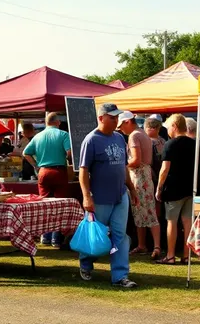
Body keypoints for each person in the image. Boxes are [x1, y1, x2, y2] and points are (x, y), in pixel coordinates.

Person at [78, 103, 139, 288]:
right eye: (112, 117)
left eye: (117, 117)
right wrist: (87, 196)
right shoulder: (91, 140)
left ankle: (120, 276)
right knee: (96, 235)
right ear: (101, 118)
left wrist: (131, 188)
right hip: (100, 198)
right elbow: (83, 171)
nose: (116, 120)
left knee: (120, 235)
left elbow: (123, 167)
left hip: (120, 195)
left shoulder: (120, 138)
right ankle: (86, 264)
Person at [155, 114, 200, 265]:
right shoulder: (195, 144)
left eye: (168, 127)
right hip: (191, 188)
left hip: (174, 189)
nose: (167, 130)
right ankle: (186, 255)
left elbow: (164, 169)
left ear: (174, 127)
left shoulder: (170, 144)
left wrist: (159, 188)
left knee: (172, 222)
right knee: (188, 222)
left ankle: (170, 255)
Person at [23, 112, 71, 247]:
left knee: (45, 205)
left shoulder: (37, 136)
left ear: (46, 122)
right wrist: (69, 160)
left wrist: (36, 166)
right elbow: (69, 153)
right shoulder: (63, 134)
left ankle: (45, 236)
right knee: (59, 205)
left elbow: (25, 153)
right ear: (58, 122)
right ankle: (56, 238)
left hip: (43, 172)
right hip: (58, 171)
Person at [117, 111, 161, 259]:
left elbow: (136, 160)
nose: (121, 129)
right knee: (142, 212)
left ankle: (156, 246)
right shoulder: (143, 133)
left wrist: (121, 165)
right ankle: (143, 245)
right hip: (145, 175)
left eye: (121, 125)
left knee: (147, 211)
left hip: (139, 176)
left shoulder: (134, 135)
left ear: (128, 121)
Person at [145, 117, 166, 185]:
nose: (153, 129)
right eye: (149, 127)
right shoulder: (147, 141)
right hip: (153, 172)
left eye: (155, 127)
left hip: (161, 171)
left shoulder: (162, 141)